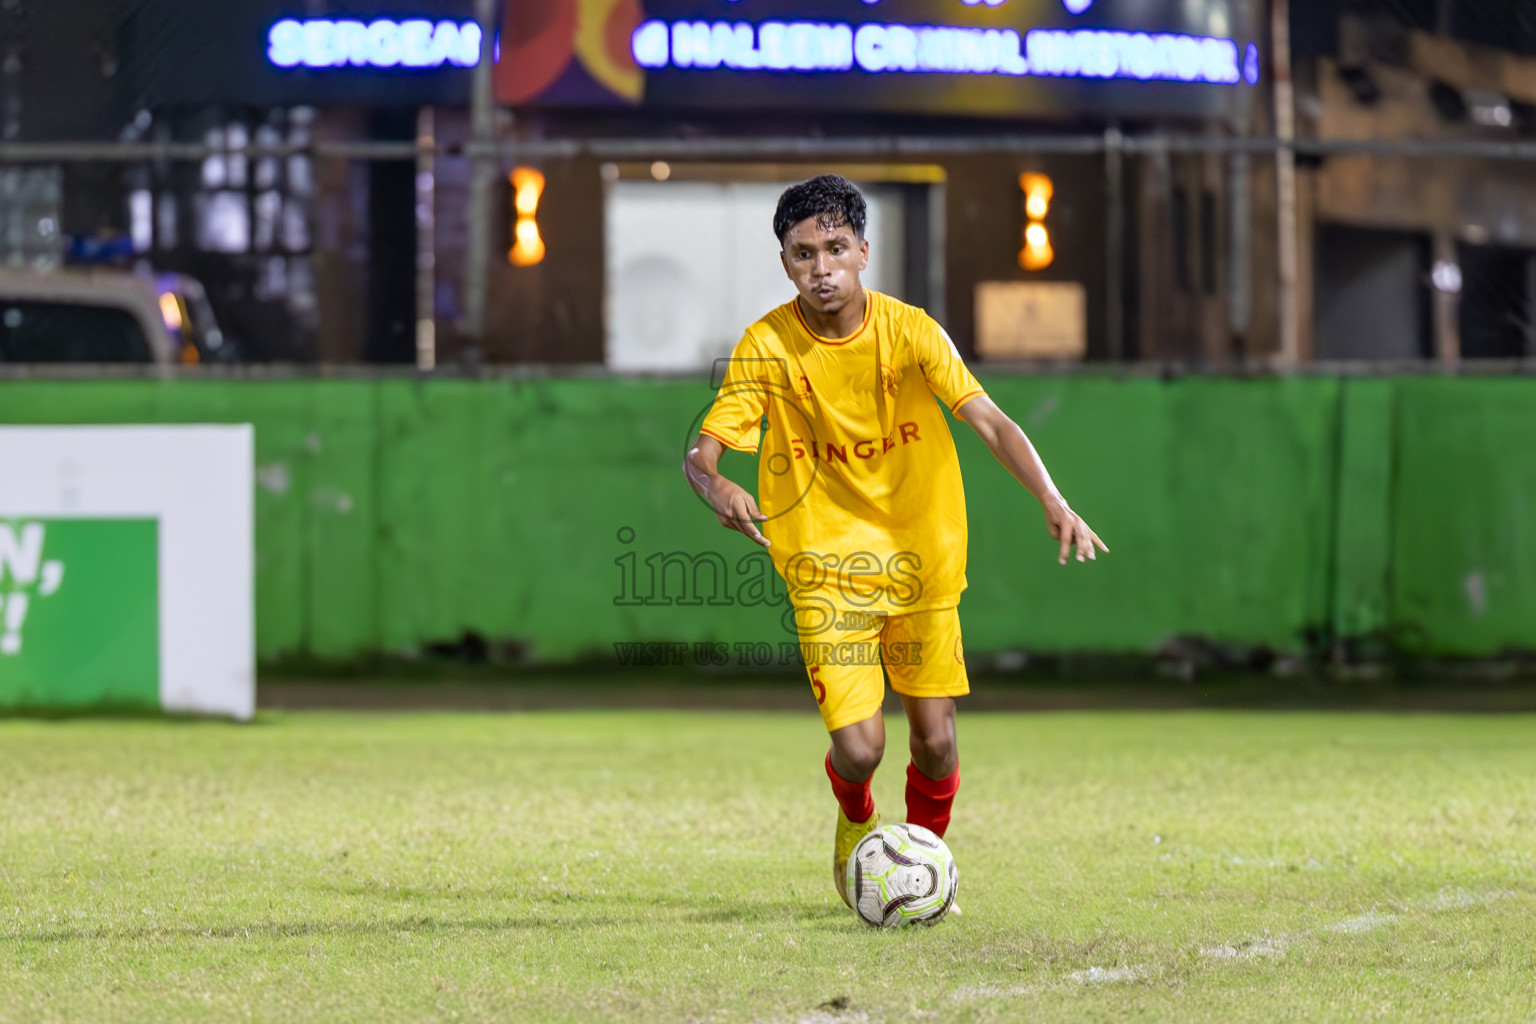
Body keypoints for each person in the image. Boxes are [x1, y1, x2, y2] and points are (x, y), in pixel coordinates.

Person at [681, 174, 1107, 909]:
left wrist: (1052, 495)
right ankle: (857, 823)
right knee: (861, 749)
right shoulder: (768, 346)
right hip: (824, 570)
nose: (822, 267)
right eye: (804, 253)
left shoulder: (910, 332)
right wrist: (717, 485)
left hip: (920, 562)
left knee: (936, 742)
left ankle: (922, 864)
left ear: (863, 251)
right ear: (785, 262)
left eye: (836, 248)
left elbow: (992, 421)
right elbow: (701, 453)